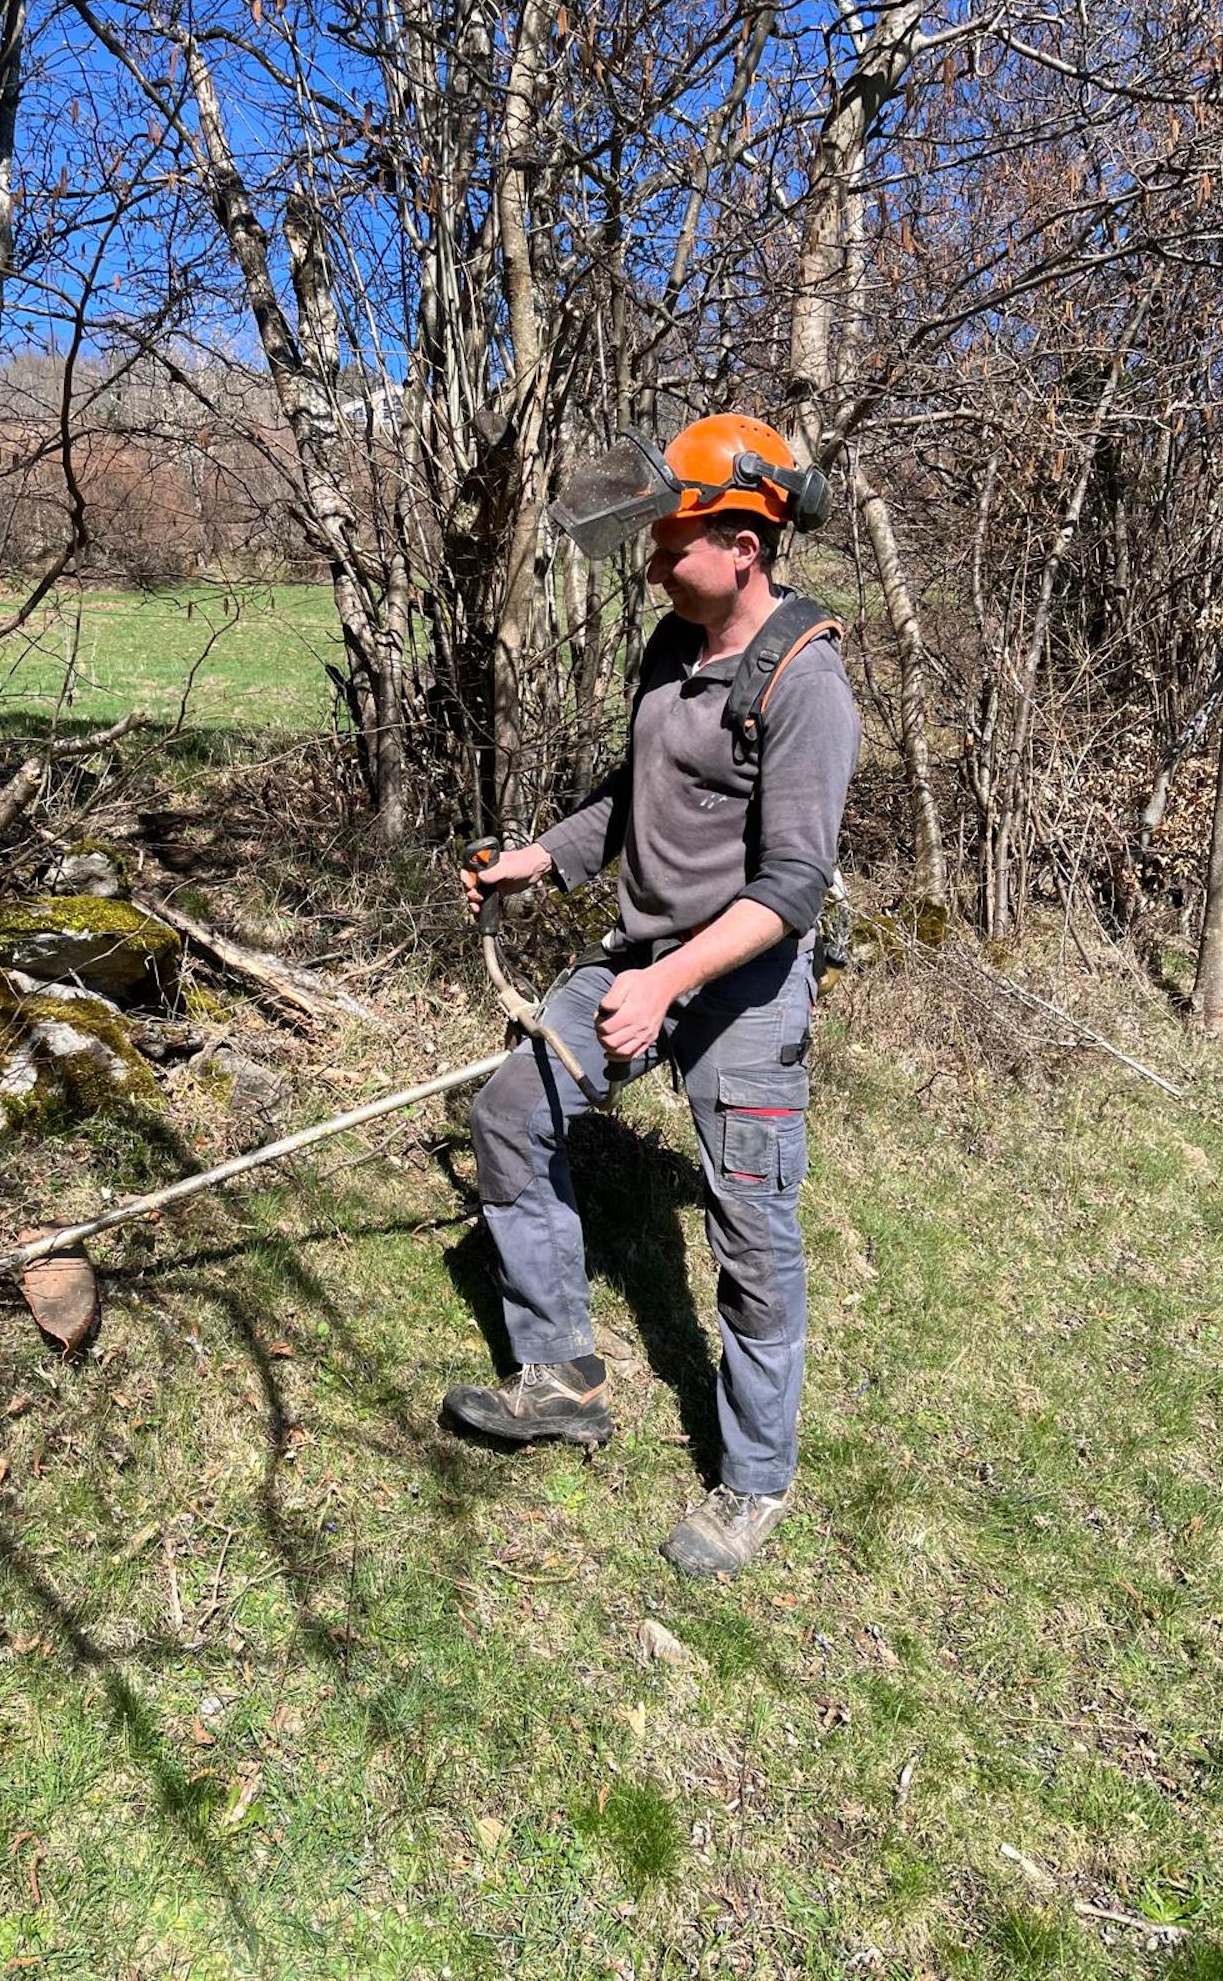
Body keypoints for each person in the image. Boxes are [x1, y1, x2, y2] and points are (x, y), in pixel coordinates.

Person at [443, 412, 861, 1579]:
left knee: (754, 1240)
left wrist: (669, 980)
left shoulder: (805, 679)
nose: (649, 562)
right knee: (509, 1116)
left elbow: (790, 885)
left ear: (742, 541)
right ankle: (561, 1370)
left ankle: (755, 1479)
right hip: (645, 959)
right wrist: (541, 856)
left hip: (744, 985)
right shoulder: (670, 646)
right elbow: (632, 799)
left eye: (670, 543)